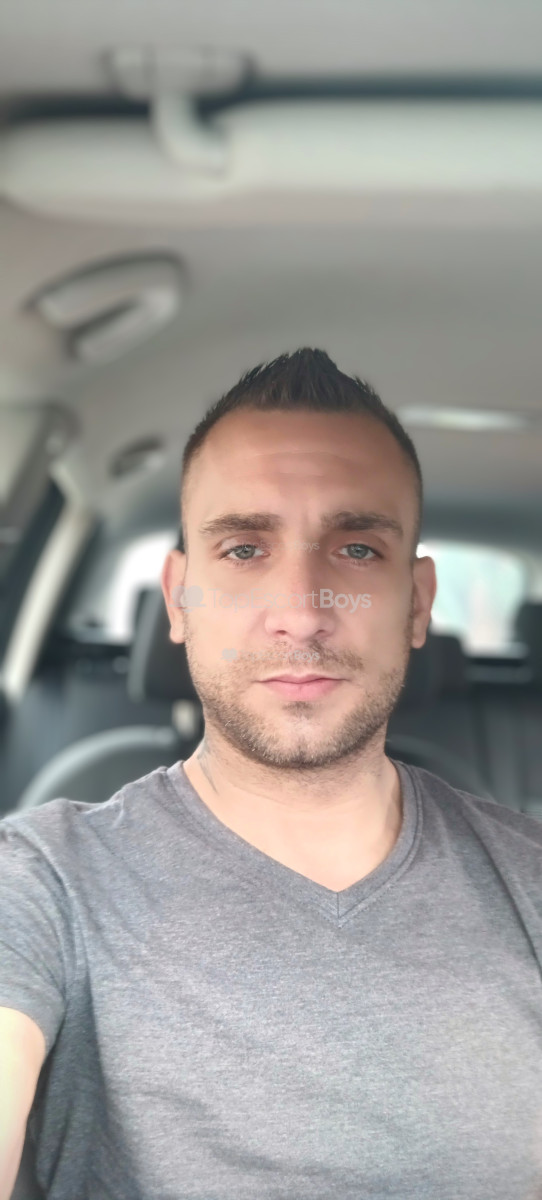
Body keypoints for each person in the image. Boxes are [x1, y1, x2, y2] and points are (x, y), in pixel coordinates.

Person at [1, 348, 541, 1200]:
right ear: (179, 599)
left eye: (357, 549)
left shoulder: (529, 879)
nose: (301, 611)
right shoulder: (43, 882)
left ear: (417, 603)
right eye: (245, 548)